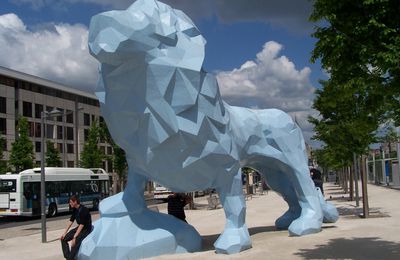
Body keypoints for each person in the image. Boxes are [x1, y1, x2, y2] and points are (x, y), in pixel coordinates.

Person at [60, 195, 92, 260]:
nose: (70, 203)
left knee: (74, 244)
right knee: (63, 239)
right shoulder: (75, 209)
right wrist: (64, 233)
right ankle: (68, 257)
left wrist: (74, 237)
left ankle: (70, 258)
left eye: (71, 202)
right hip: (79, 227)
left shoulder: (84, 210)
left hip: (86, 229)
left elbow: (82, 225)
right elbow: (71, 221)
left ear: (75, 202)